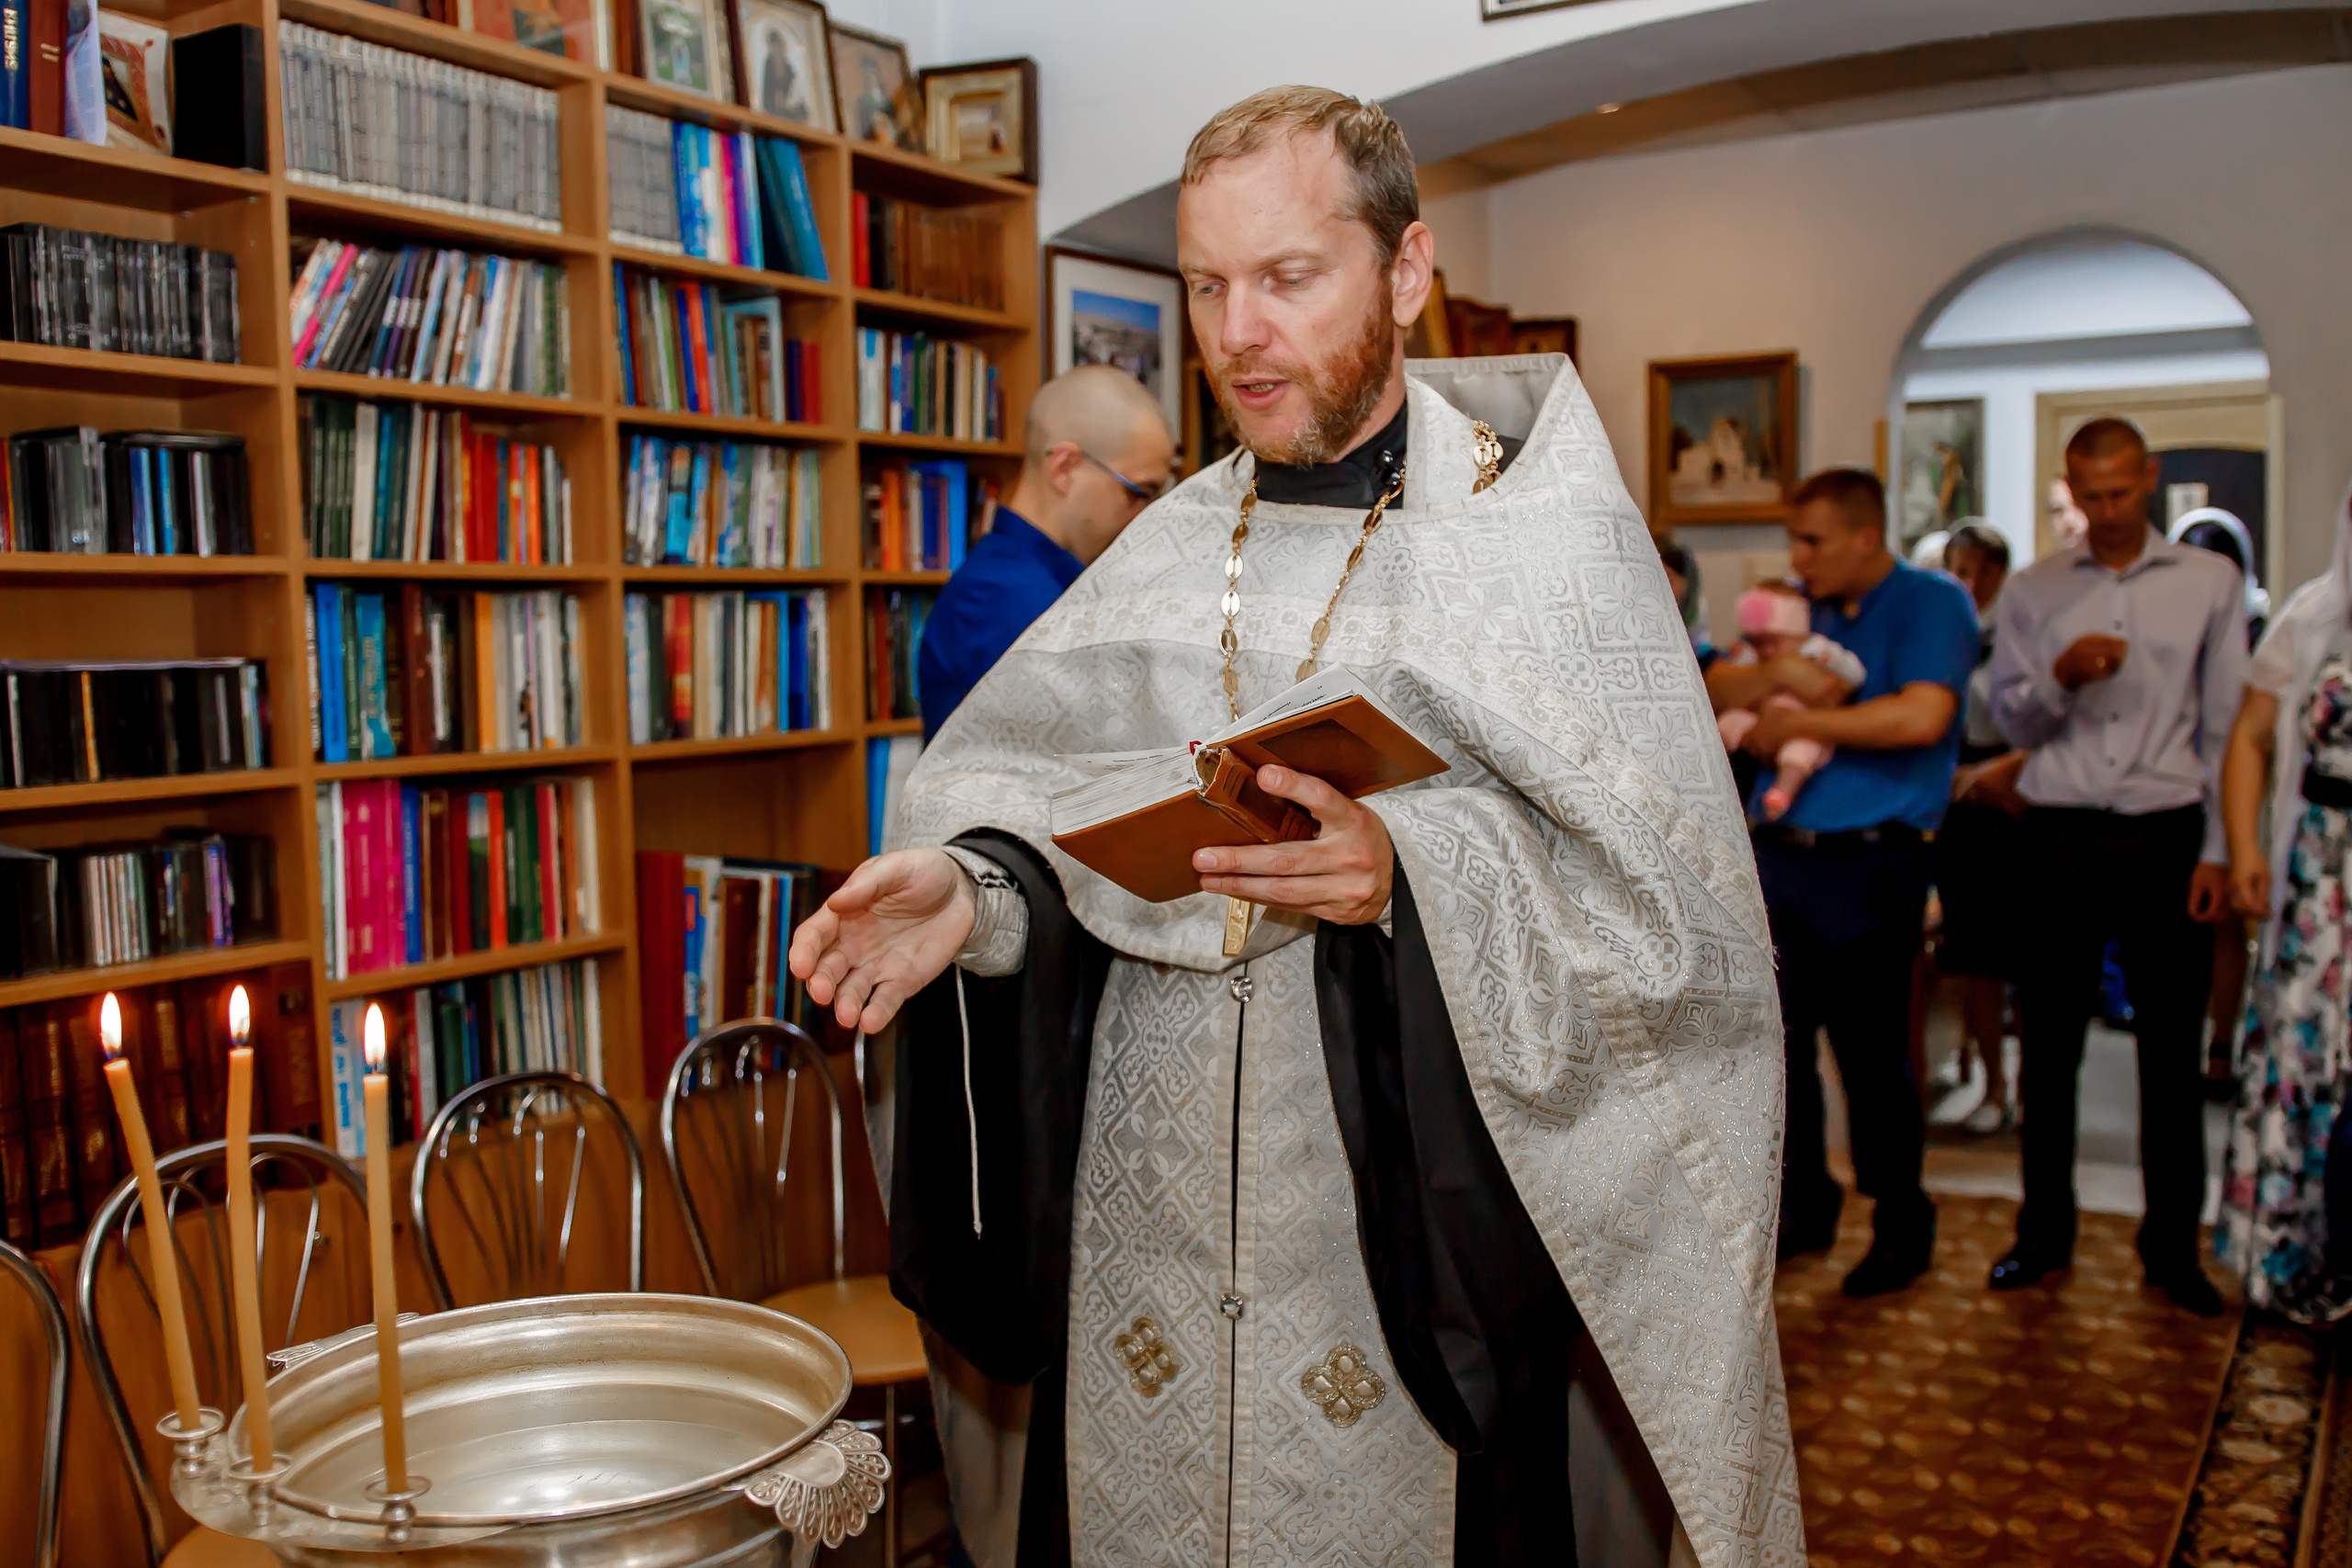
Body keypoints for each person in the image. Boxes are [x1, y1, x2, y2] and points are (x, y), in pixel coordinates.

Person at [792, 85, 1797, 1568]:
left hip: (1395, 1240)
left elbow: (1679, 929)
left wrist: (1415, 869)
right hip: (1143, 1230)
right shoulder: (1170, 543)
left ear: (1404, 270)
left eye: (1287, 277)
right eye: (1207, 285)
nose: (1238, 331)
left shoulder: (1540, 552)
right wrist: (972, 887)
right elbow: (1047, 812)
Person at [1984, 417, 2247, 1314]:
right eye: (2087, 496)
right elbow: (2014, 725)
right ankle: (2041, 1235)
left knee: (2169, 1053)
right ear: (2070, 486)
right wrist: (2057, 674)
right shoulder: (2034, 589)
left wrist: (2219, 846)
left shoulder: (2210, 582)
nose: (2103, 512)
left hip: (2165, 831)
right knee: (2047, 1047)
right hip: (2056, 833)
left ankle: (2172, 1249)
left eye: (2118, 494)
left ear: (2148, 480)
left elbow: (2223, 728)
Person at [1706, 469, 1978, 1297]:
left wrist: (1799, 718)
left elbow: (1921, 716)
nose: (1799, 556)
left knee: (1871, 1053)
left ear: (1867, 536)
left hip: (1872, 860)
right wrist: (1776, 688)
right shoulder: (1795, 607)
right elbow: (1713, 687)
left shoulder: (1935, 602)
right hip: (1779, 852)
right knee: (1777, 1050)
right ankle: (1804, 1209)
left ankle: (1900, 1221)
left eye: (1813, 539)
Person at [2216, 479, 2352, 1323]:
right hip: (2324, 878)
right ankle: (2299, 1252)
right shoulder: (2313, 615)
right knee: (2314, 1055)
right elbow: (2251, 737)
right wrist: (2243, 849)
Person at [916, 366, 1177, 740]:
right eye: (1138, 492)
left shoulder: (1041, 582)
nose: (1147, 515)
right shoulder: (1004, 599)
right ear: (1064, 468)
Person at [1932, 521, 2025, 1135]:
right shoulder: (1941, 628)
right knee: (1973, 956)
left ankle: (2018, 1080)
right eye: (1961, 568)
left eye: (1983, 570)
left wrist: (2000, 772)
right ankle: (1989, 1077)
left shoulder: (2021, 632)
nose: (1971, 580)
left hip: (2016, 791)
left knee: (2019, 950)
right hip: (1955, 792)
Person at [1713, 582, 1864, 819]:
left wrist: (1831, 662)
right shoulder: (1756, 655)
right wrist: (1741, 656)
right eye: (1759, 643)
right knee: (1727, 722)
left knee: (1801, 750)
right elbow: (1734, 678)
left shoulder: (1816, 648)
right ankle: (1717, 776)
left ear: (1796, 634)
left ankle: (1783, 792)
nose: (1767, 651)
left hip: (1803, 721)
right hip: (1760, 719)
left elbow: (1855, 674)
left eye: (1774, 642)